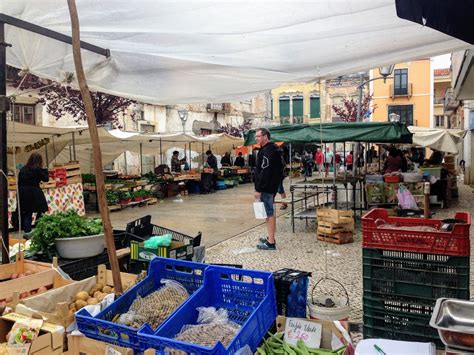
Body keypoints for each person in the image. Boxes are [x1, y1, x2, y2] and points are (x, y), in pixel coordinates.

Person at [254, 128, 283, 250]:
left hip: (266, 187)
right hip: (271, 186)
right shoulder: (273, 149)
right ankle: (271, 237)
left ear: (265, 136)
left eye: (258, 136)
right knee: (268, 213)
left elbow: (265, 171)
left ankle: (271, 242)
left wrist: (259, 189)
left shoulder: (267, 151)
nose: (257, 138)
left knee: (269, 213)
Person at [17, 153, 49, 233]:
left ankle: (27, 233)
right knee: (41, 210)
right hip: (35, 192)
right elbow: (46, 179)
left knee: (28, 213)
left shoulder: (23, 169)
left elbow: (19, 182)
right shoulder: (37, 169)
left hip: (23, 193)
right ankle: (38, 229)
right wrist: (45, 170)